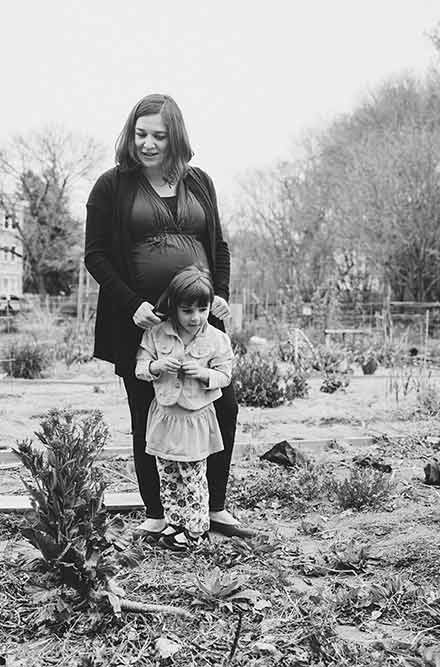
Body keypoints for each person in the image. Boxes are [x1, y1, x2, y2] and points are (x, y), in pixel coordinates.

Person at [84, 93, 253, 539]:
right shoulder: (112, 185)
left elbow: (218, 246)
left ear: (175, 137)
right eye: (141, 134)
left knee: (223, 406)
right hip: (142, 320)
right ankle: (158, 514)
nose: (149, 144)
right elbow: (96, 255)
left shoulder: (200, 182)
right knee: (148, 411)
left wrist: (220, 295)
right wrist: (130, 304)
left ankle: (214, 506)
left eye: (159, 135)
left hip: (199, 318)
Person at [135, 267, 234, 550]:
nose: (195, 317)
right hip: (165, 417)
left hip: (195, 419)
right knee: (168, 473)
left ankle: (196, 530)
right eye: (187, 310)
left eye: (202, 309)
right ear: (174, 307)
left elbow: (225, 376)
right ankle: (176, 523)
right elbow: (140, 367)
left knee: (192, 475)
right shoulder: (156, 334)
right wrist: (156, 367)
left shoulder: (217, 339)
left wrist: (203, 374)